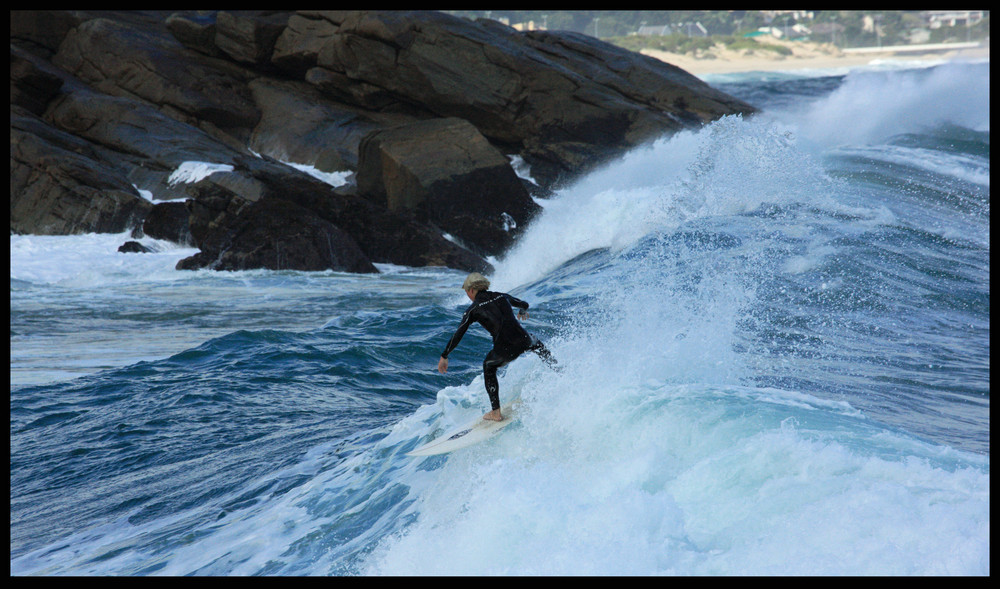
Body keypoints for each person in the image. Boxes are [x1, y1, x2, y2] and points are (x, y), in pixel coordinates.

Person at [437, 272, 559, 421]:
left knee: (488, 366)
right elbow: (524, 304)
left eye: (467, 292)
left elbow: (458, 334)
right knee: (536, 343)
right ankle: (558, 371)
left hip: (505, 349)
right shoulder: (502, 296)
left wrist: (445, 355)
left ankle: (496, 413)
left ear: (471, 290)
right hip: (524, 340)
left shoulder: (472, 310)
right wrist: (522, 311)